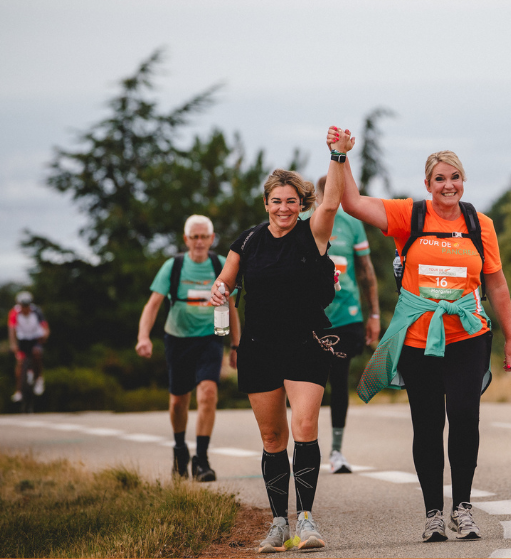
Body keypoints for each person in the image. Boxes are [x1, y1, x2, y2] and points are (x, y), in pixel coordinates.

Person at [340, 150, 511, 543]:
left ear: (463, 180)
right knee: (426, 425)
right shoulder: (411, 216)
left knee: (463, 415)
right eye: (439, 178)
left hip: (468, 335)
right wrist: (340, 156)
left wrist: (510, 337)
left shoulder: (480, 224)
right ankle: (433, 515)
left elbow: (497, 283)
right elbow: (351, 203)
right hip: (418, 339)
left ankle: (464, 509)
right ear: (427, 184)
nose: (448, 185)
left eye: (455, 176)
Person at [209, 126, 350, 553]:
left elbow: (332, 200)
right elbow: (226, 281)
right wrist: (219, 290)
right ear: (266, 203)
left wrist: (337, 155)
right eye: (277, 201)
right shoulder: (249, 241)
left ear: (300, 204)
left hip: (306, 343)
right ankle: (277, 523)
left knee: (304, 426)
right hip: (258, 347)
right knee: (273, 439)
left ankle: (305, 521)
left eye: (292, 201)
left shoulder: (314, 232)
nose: (284, 208)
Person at [135, 214, 239, 482]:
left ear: (212, 239)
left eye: (205, 236)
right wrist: (143, 337)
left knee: (207, 394)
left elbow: (232, 307)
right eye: (195, 237)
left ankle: (201, 460)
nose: (200, 242)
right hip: (178, 338)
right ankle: (180, 449)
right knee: (179, 400)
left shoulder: (221, 265)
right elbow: (153, 304)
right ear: (186, 239)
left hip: (210, 337)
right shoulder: (174, 266)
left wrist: (236, 345)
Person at [313, 174, 381, 474]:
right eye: (327, 194)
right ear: (316, 196)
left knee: (339, 381)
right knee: (309, 383)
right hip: (311, 317)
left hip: (347, 316)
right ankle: (304, 447)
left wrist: (374, 314)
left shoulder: (353, 224)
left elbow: (366, 270)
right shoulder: (305, 220)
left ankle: (336, 451)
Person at [8, 291, 49, 402]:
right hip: (22, 340)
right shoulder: (14, 313)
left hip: (35, 339)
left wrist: (45, 335)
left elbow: (45, 327)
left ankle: (39, 379)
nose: (25, 308)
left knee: (37, 354)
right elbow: (12, 330)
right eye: (23, 305)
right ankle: (19, 391)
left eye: (27, 305)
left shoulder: (37, 311)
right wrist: (13, 344)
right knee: (20, 363)